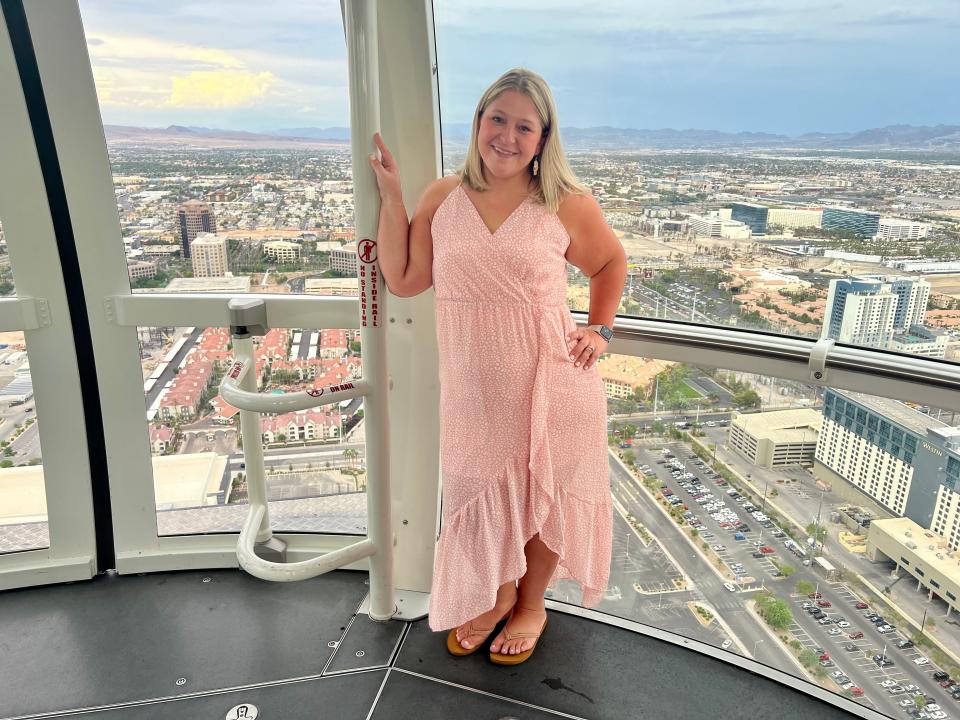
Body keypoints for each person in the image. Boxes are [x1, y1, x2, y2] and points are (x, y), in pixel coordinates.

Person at [369, 67, 626, 665]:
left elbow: (611, 263)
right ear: (478, 123)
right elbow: (405, 279)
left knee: (545, 496)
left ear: (543, 139)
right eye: (498, 120)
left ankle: (530, 603)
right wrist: (392, 200)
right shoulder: (442, 197)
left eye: (524, 127)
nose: (507, 136)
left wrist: (601, 329)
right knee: (477, 488)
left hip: (550, 379)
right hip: (474, 385)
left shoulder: (563, 203)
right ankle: (497, 592)